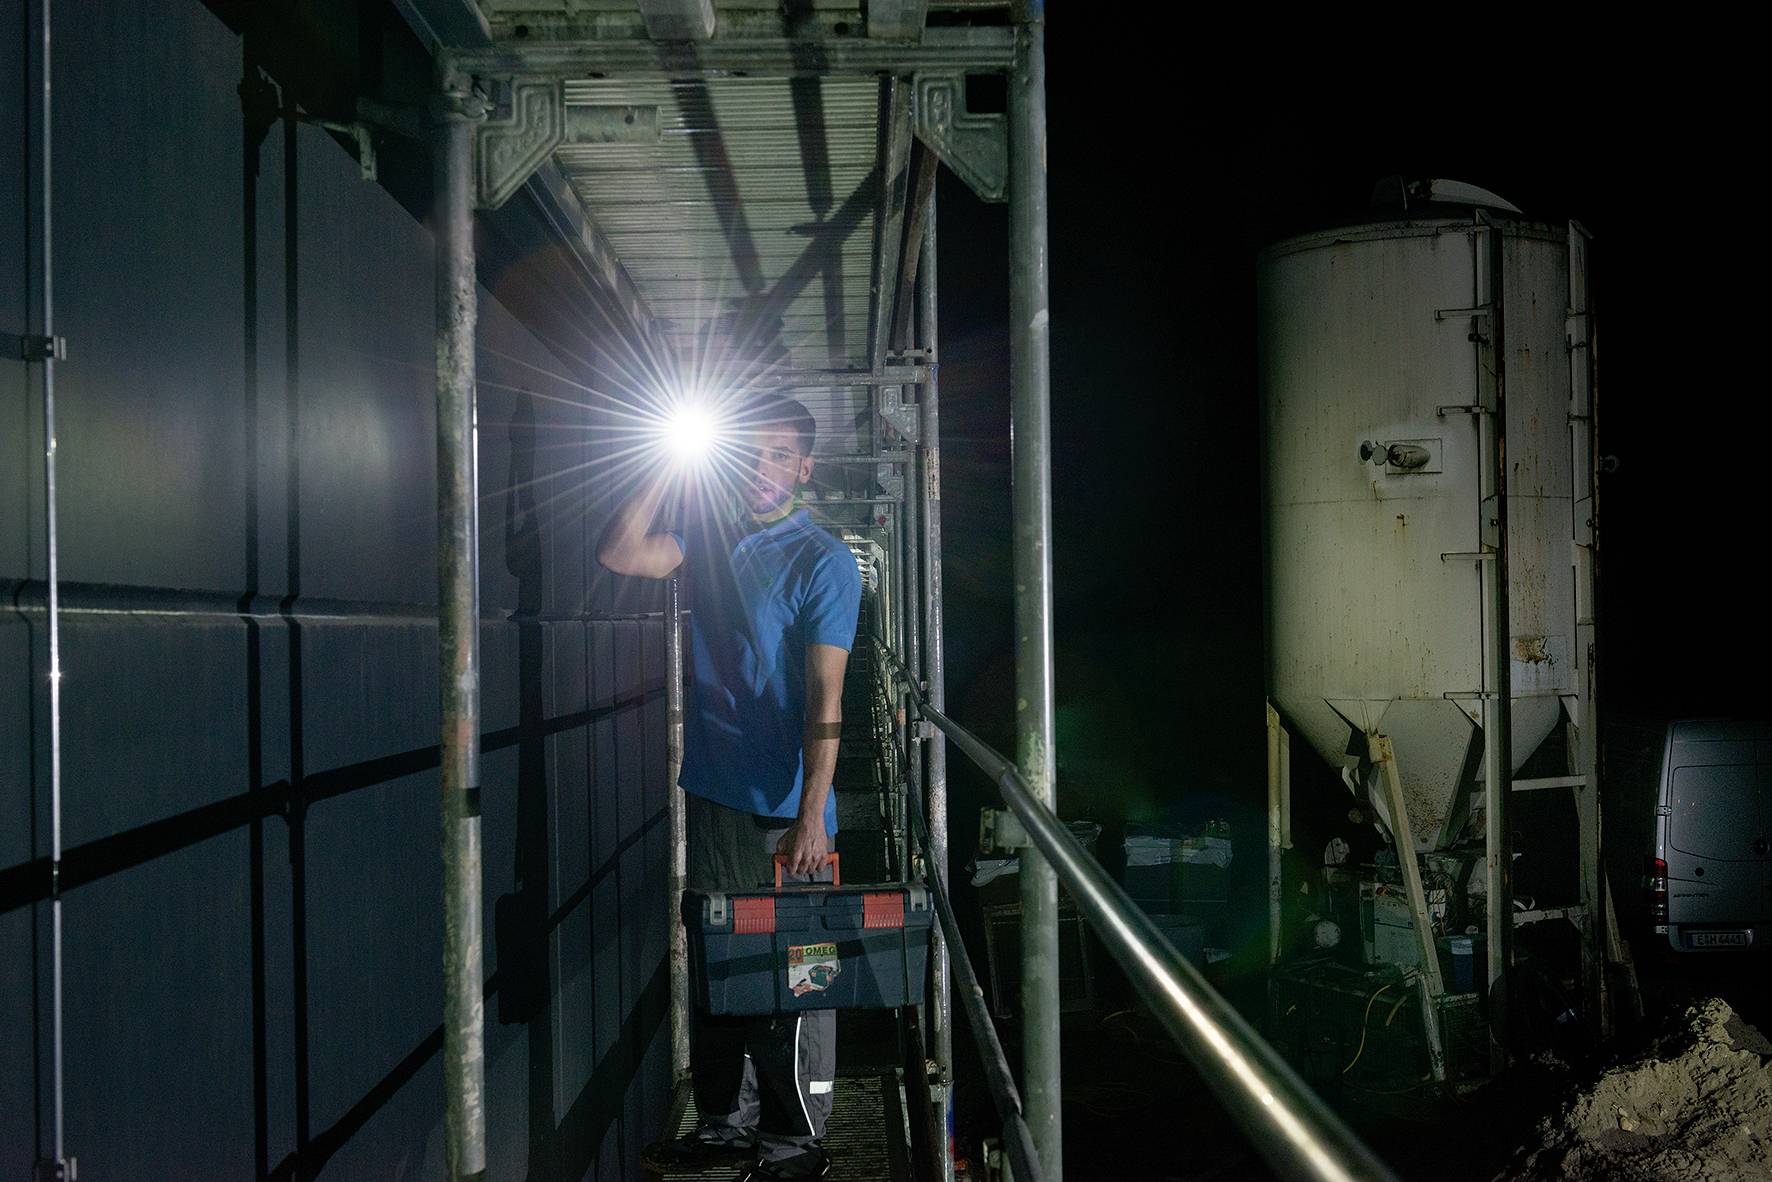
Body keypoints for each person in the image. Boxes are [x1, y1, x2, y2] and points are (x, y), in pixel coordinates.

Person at [598, 393, 861, 1181]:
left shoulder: (824, 559)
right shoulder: (708, 539)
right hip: (715, 794)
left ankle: (795, 1144)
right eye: (749, 451)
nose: (759, 467)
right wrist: (664, 461)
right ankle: (724, 1126)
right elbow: (620, 552)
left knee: (799, 973)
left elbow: (826, 700)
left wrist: (812, 814)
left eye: (778, 454)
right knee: (720, 960)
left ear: (804, 468)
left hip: (785, 812)